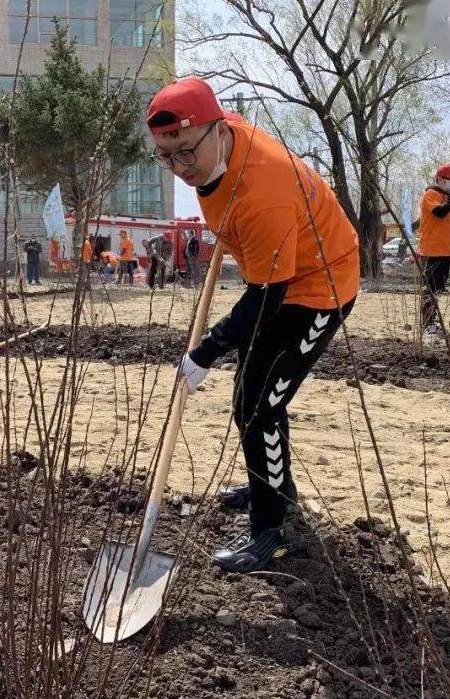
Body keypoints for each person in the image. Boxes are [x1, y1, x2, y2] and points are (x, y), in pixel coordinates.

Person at [149, 77, 359, 572]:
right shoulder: (220, 142)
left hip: (318, 285)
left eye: (186, 154)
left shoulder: (264, 189)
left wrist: (206, 350)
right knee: (255, 393)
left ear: (217, 130)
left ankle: (271, 532)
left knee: (258, 401)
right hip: (280, 278)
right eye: (166, 156)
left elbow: (267, 297)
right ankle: (273, 482)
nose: (179, 169)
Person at [417, 163, 450, 335]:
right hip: (431, 249)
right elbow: (439, 212)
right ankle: (427, 323)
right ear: (440, 179)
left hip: (447, 249)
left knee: (438, 288)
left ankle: (433, 318)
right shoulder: (431, 194)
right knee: (429, 288)